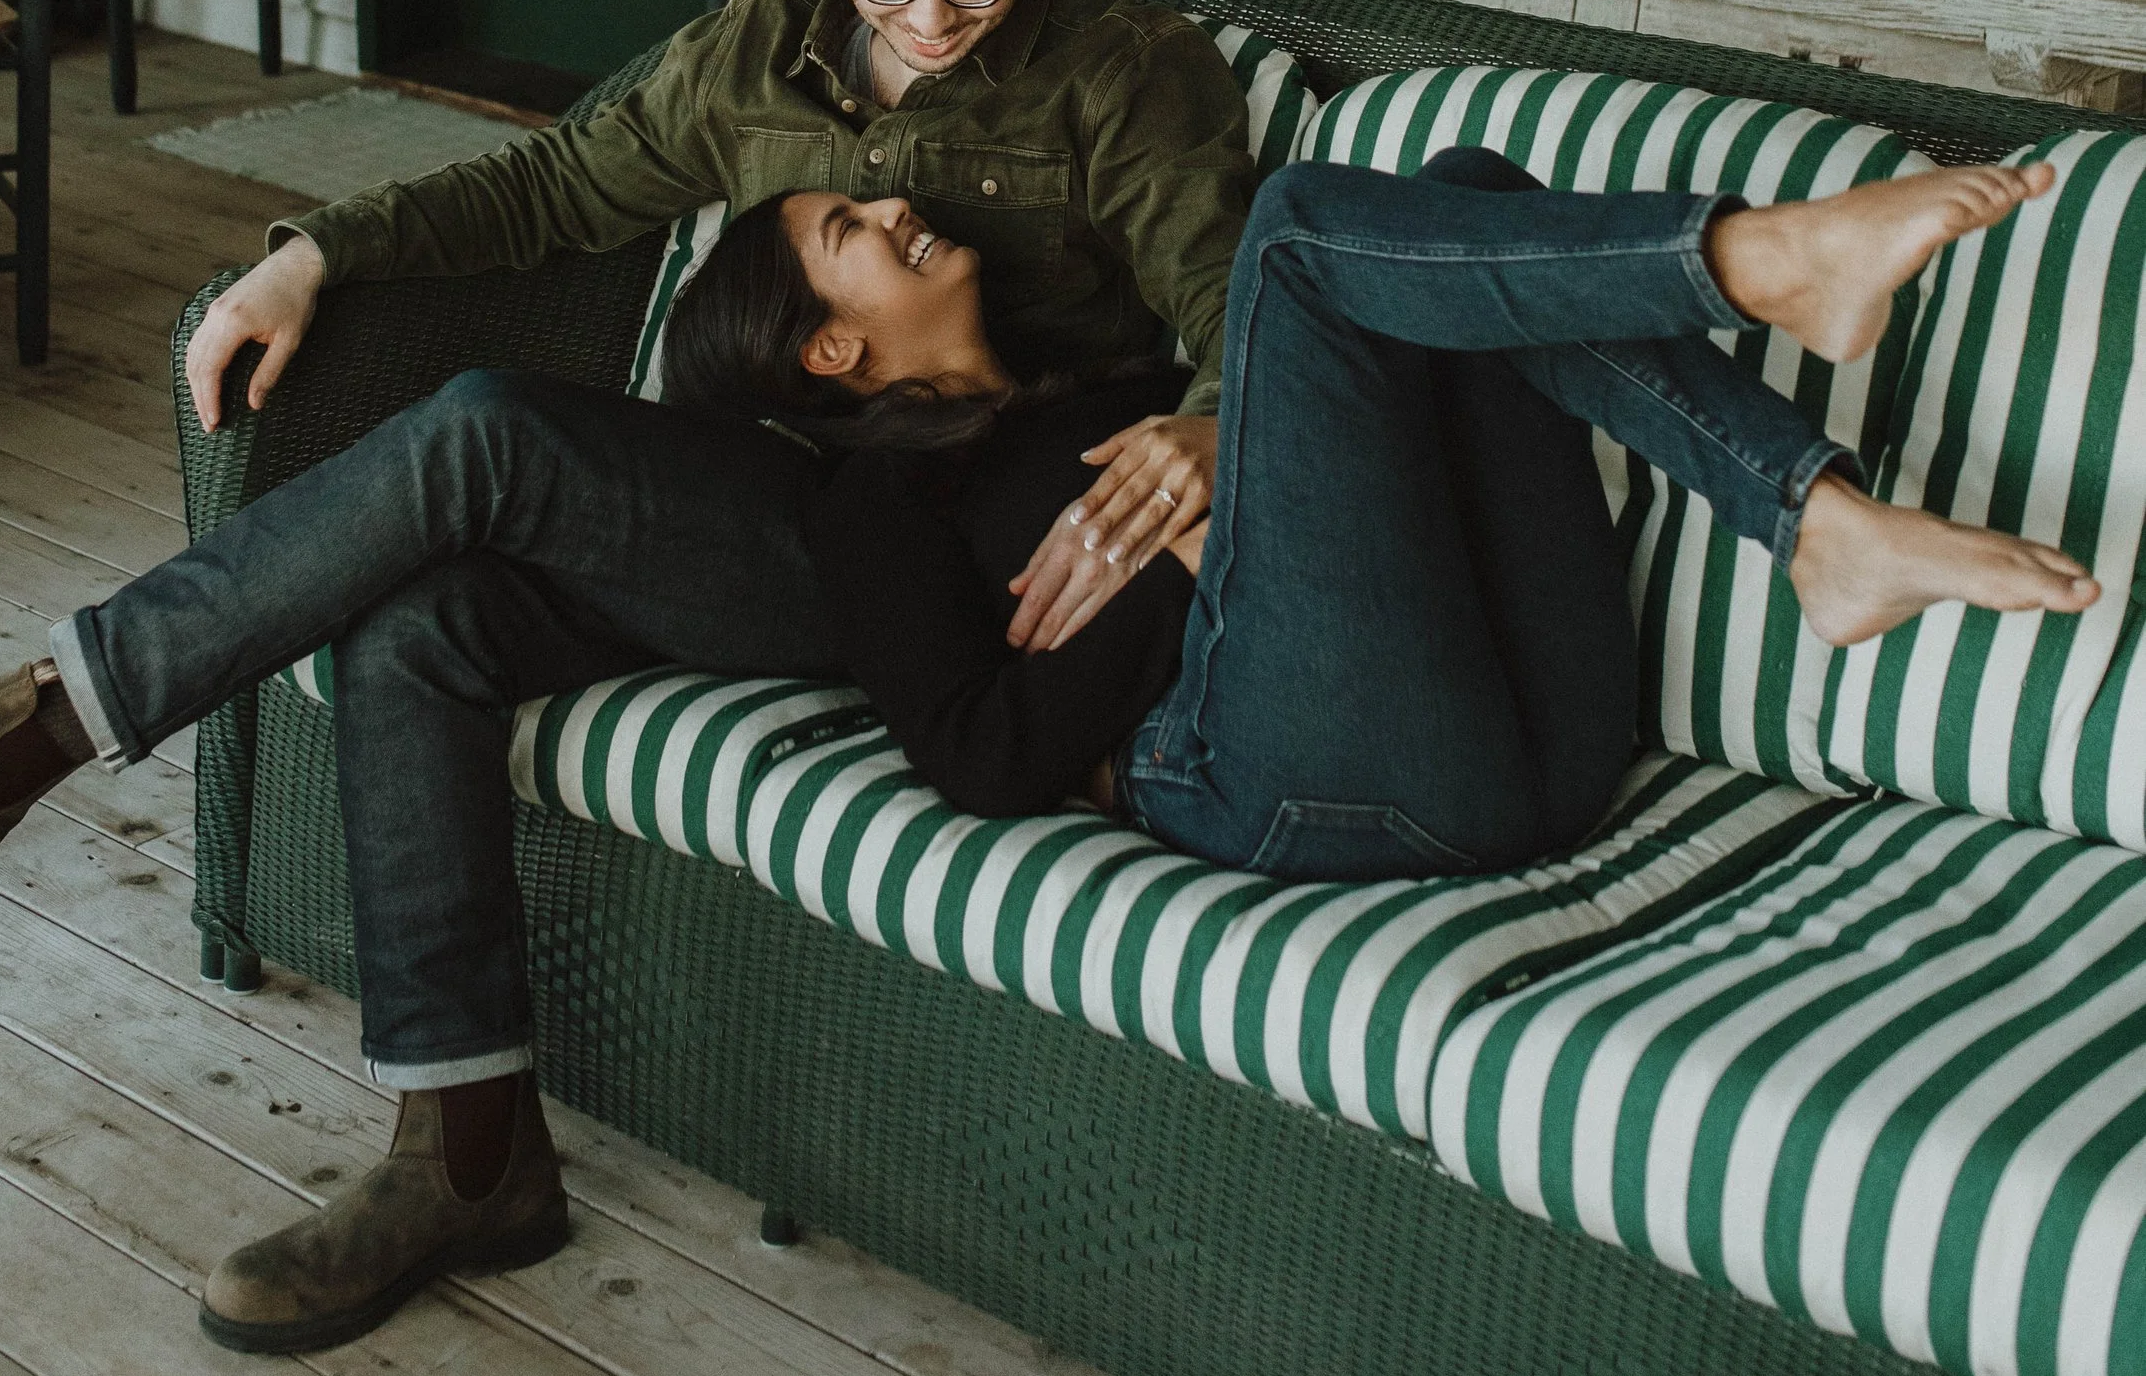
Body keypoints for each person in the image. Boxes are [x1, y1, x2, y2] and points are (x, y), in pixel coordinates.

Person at [0, 0, 1257, 1357]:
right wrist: (319, 254)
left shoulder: (1125, 74)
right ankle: (468, 1153)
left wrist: (1211, 425)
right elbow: (554, 184)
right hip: (758, 503)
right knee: (427, 622)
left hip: (929, 555)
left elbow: (1235, 301)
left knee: (491, 432)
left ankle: (5, 742)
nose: (929, 19)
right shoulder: (758, 56)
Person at [655, 146, 2099, 882]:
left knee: (1462, 203)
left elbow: (1328, 482)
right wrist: (1185, 573)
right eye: (851, 231)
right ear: (829, 351)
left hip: (1535, 738)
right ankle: (1755, 263)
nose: (892, 204)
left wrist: (1232, 449)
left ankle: (1815, 524)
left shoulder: (1105, 383)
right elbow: (975, 753)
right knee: (1293, 235)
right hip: (1277, 775)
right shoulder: (885, 499)